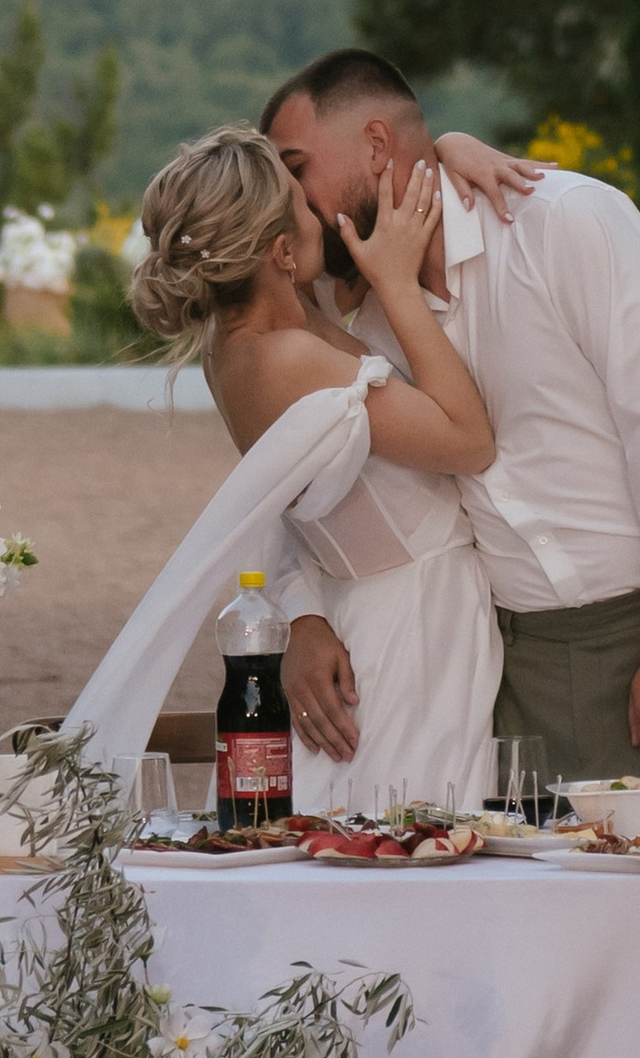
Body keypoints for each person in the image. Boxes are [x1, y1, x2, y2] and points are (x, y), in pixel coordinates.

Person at [260, 49, 640, 795]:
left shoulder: (565, 222)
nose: (287, 197)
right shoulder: (362, 317)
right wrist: (301, 615)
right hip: (518, 663)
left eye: (295, 168)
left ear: (378, 146)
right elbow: (298, 479)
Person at [61, 123, 505, 812]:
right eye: (303, 207)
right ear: (279, 254)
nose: (320, 215)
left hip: (354, 611)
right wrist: (396, 285)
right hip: (412, 623)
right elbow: (468, 438)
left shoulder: (235, 351)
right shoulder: (291, 362)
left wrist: (444, 145)